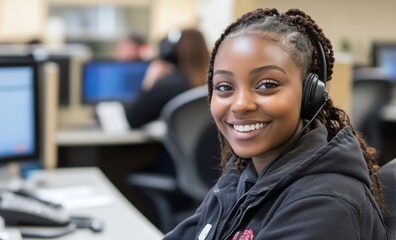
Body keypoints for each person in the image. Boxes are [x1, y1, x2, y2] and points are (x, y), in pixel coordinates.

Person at [163, 8, 388, 239]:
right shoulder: (241, 173)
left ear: (311, 94)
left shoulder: (325, 203)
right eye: (224, 87)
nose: (240, 105)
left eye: (267, 85)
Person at [124, 28, 209, 128]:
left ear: (171, 53)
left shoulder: (167, 85)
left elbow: (133, 119)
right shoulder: (214, 84)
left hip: (171, 143)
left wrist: (149, 81)